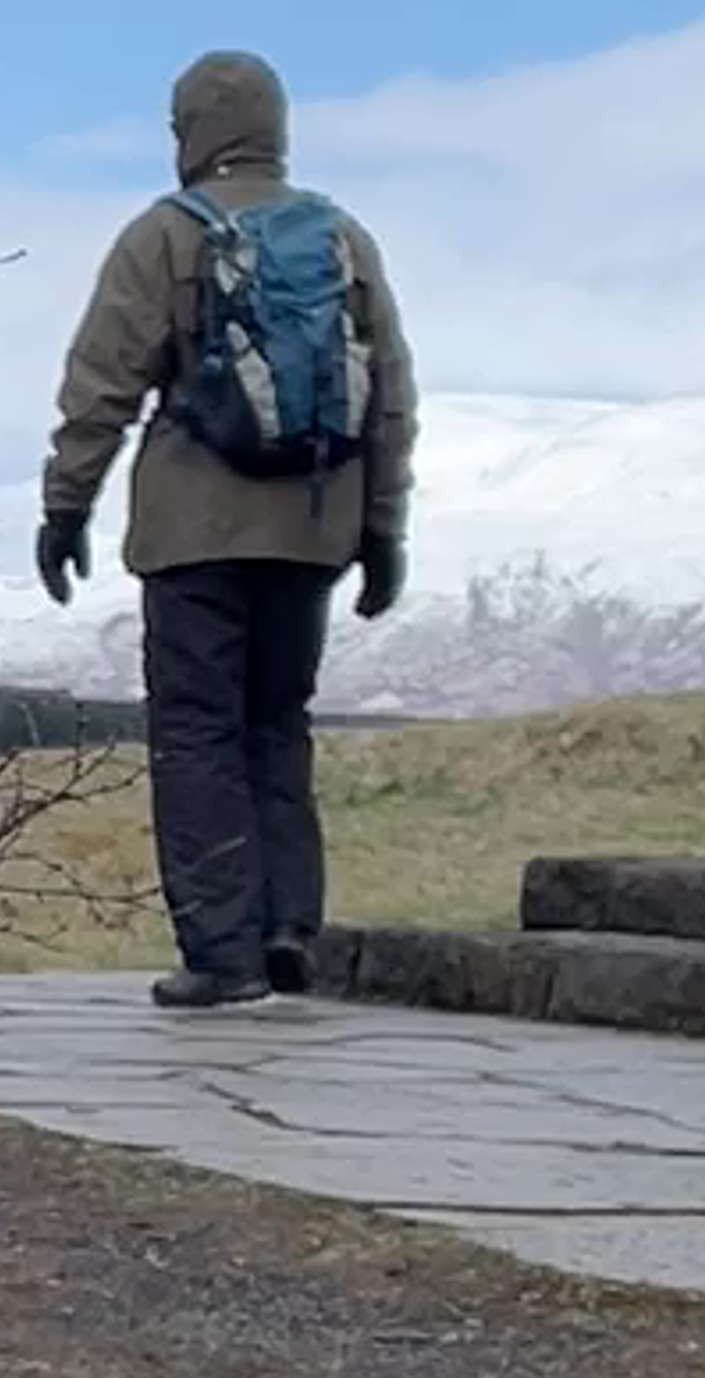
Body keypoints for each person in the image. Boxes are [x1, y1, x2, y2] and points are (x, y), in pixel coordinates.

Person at [33, 49, 417, 1009]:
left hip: (192, 534)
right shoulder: (342, 238)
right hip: (311, 531)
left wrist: (65, 507)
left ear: (192, 131)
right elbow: (390, 396)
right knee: (277, 724)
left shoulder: (163, 237)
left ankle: (222, 951)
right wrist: (382, 528)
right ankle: (290, 926)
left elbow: (101, 386)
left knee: (197, 733)